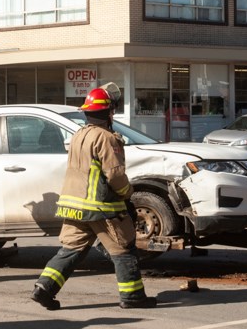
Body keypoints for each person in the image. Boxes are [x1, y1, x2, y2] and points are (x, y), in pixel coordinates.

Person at [31, 82, 157, 310]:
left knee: (71, 250)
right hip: (102, 208)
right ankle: (133, 297)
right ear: (110, 112)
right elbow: (115, 175)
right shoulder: (107, 138)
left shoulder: (79, 134)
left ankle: (44, 288)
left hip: (73, 206)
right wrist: (127, 195)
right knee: (123, 249)